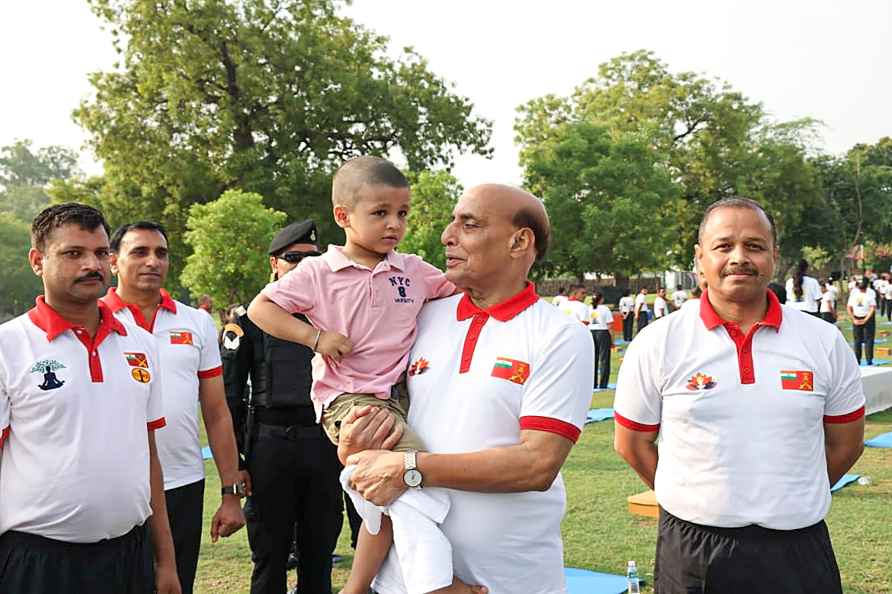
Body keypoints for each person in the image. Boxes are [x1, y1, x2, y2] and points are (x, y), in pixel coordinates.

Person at [340, 183, 594, 594]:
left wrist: (411, 470)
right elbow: (379, 434)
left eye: (469, 224)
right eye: (453, 221)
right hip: (404, 579)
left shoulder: (559, 335)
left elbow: (537, 464)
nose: (447, 235)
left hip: (508, 579)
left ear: (519, 241)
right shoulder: (419, 318)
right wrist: (356, 447)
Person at [247, 157, 482, 594]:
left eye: (402, 213)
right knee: (413, 478)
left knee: (381, 499)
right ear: (344, 216)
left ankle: (358, 585)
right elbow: (261, 308)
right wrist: (314, 337)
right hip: (351, 402)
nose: (394, 224)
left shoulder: (411, 269)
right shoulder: (318, 272)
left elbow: (460, 292)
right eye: (380, 213)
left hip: (401, 397)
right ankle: (435, 582)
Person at [613, 196, 864, 594]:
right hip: (693, 550)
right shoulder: (659, 342)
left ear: (774, 257)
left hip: (798, 547)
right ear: (699, 259)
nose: (739, 257)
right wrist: (696, 497)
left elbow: (846, 444)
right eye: (724, 245)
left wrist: (789, 493)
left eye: (754, 246)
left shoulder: (823, 341)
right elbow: (632, 443)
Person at [0, 203, 181, 594]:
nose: (91, 265)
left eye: (100, 253)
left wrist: (165, 560)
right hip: (38, 563)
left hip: (128, 557)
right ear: (37, 261)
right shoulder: (8, 347)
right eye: (73, 254)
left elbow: (148, 453)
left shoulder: (142, 345)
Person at [102, 221, 246, 594]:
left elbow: (216, 412)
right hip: (115, 485)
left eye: (161, 253)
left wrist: (230, 494)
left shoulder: (195, 322)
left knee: (175, 584)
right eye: (140, 252)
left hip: (183, 482)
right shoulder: (94, 318)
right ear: (113, 262)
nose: (153, 261)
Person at [222, 220, 345, 594]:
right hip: (269, 447)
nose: (304, 266)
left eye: (313, 258)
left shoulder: (333, 319)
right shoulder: (248, 323)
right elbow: (228, 398)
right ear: (274, 264)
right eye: (293, 258)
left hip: (323, 445)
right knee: (269, 558)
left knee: (319, 555)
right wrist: (237, 463)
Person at [847, 276, 877, 366]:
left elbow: (849, 308)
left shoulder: (854, 295)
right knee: (868, 339)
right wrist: (865, 319)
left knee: (857, 340)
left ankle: (858, 359)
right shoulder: (869, 295)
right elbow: (873, 308)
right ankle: (868, 359)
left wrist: (853, 319)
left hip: (857, 317)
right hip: (867, 318)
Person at [590, 290, 614, 389]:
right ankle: (603, 384)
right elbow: (609, 325)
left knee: (593, 359)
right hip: (602, 332)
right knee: (604, 359)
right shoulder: (605, 309)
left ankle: (593, 383)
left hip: (591, 332)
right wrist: (612, 339)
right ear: (601, 299)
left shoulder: (588, 308)